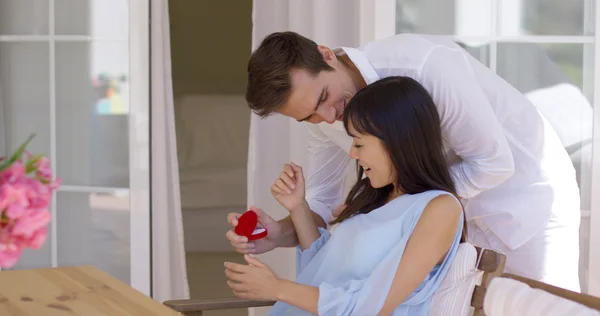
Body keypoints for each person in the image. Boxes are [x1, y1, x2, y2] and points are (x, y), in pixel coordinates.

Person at [226, 31, 581, 291]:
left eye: (324, 97)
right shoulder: (325, 121)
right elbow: (321, 203)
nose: (329, 115)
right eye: (309, 116)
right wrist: (277, 234)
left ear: (326, 55)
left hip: (527, 196)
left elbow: (493, 163)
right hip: (452, 225)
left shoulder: (426, 66)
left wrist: (399, 206)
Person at [225, 77, 465, 315]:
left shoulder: (439, 210)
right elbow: (322, 275)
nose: (352, 153)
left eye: (359, 143)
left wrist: (278, 288)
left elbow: (374, 306)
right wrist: (298, 207)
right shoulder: (371, 195)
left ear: (396, 141)